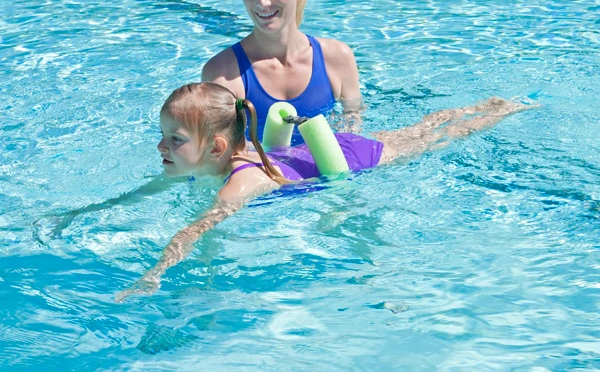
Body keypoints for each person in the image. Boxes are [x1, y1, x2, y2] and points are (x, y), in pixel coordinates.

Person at [115, 82, 533, 301]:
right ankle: (481, 106)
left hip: (357, 159)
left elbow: (195, 230)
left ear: (216, 148)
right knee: (419, 131)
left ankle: (498, 112)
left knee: (437, 139)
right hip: (320, 150)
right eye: (164, 135)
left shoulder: (239, 183)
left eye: (175, 139)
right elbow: (147, 191)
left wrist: (155, 273)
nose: (161, 146)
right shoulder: (217, 159)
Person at [201, 0, 361, 145]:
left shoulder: (337, 58)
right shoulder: (223, 74)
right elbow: (222, 154)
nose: (262, 2)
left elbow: (351, 138)